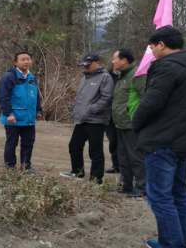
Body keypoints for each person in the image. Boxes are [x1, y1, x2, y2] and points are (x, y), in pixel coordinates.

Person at [131, 26, 186, 248]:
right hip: (184, 138)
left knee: (159, 197)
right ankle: (177, 242)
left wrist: (136, 123)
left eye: (152, 47)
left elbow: (152, 101)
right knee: (177, 194)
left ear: (162, 45)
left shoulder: (167, 66)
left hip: (163, 140)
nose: (152, 51)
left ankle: (172, 245)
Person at [60, 53, 113, 184]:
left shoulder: (105, 77)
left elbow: (106, 99)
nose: (86, 68)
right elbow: (82, 98)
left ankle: (96, 179)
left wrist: (91, 110)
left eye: (88, 65)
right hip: (81, 119)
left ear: (97, 63)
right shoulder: (84, 78)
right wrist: (75, 108)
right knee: (74, 145)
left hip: (96, 120)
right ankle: (77, 172)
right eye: (84, 65)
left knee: (95, 150)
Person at [0, 52, 42, 173]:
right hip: (14, 118)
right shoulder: (9, 77)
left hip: (29, 118)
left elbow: (35, 96)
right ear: (15, 62)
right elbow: (3, 98)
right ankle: (10, 167)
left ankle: (26, 167)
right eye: (23, 60)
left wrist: (38, 110)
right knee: (12, 144)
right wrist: (9, 114)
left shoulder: (32, 77)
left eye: (28, 59)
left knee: (28, 144)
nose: (26, 62)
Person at [111, 48, 147, 198]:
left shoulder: (137, 74)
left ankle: (142, 188)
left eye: (115, 59)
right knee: (123, 157)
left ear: (124, 60)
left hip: (131, 123)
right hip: (120, 123)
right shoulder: (122, 76)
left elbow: (145, 97)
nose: (112, 62)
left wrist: (136, 118)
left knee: (136, 157)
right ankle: (126, 185)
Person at [105, 65, 120, 174]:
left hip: (123, 114)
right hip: (109, 114)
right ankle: (116, 165)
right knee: (113, 141)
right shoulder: (107, 76)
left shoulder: (130, 76)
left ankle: (126, 166)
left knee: (124, 142)